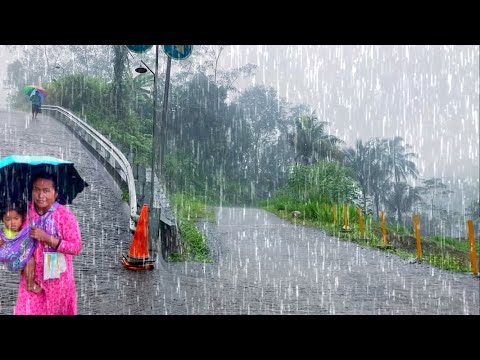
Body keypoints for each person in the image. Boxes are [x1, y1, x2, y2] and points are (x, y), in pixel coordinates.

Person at [14, 172, 82, 315]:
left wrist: (47, 238)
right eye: (36, 189)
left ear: (56, 193)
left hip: (57, 282)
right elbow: (12, 230)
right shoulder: (24, 211)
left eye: (46, 191)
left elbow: (76, 247)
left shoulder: (65, 216)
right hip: (31, 280)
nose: (40, 195)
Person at [0, 201, 42, 293]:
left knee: (30, 260)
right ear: (2, 220)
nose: (12, 223)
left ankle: (30, 284)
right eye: (7, 219)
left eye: (16, 218)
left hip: (20, 259)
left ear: (22, 218)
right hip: (9, 262)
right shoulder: (2, 234)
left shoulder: (24, 231)